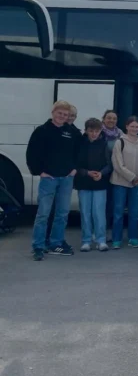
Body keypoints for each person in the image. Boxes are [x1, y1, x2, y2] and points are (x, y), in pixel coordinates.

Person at [26, 100, 79, 260]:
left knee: (62, 213)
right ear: (53, 112)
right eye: (59, 113)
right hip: (49, 178)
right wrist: (38, 171)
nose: (62, 116)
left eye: (65, 114)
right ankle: (38, 246)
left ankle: (56, 243)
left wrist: (74, 169)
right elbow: (31, 153)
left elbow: (79, 152)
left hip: (66, 179)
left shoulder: (72, 132)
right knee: (43, 213)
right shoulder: (41, 131)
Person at [111, 116, 138, 249]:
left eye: (137, 127)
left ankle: (133, 238)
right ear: (127, 127)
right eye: (132, 126)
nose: (134, 129)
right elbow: (118, 165)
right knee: (118, 212)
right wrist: (132, 177)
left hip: (137, 184)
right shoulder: (120, 142)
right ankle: (116, 239)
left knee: (135, 212)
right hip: (120, 182)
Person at [75, 118, 113, 252]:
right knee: (85, 213)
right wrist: (86, 173)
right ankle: (86, 240)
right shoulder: (80, 144)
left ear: (100, 131)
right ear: (86, 131)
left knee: (99, 213)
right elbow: (75, 165)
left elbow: (109, 164)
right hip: (83, 182)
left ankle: (101, 240)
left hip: (100, 183)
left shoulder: (104, 144)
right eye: (91, 131)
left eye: (97, 131)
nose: (94, 134)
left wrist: (101, 173)